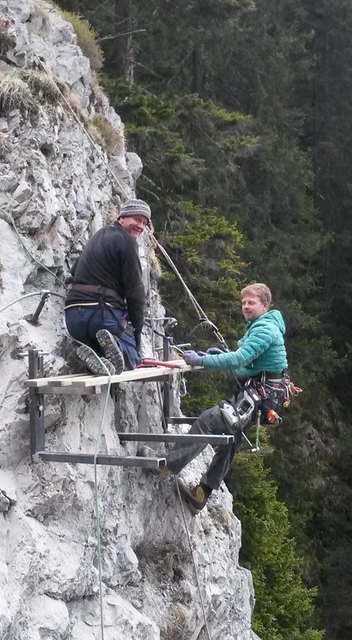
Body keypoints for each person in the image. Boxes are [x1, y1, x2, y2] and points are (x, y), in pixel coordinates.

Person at [164, 283, 289, 514]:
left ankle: (168, 465)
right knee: (231, 437)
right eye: (243, 302)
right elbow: (247, 369)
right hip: (262, 396)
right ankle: (202, 493)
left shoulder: (264, 330)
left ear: (265, 304)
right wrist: (219, 355)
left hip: (259, 397)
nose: (246, 306)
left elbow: (238, 361)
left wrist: (201, 361)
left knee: (208, 422)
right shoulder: (261, 325)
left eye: (251, 302)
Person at [64, 198, 151, 375]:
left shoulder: (98, 235)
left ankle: (97, 357)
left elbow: (74, 270)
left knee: (100, 347)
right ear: (122, 218)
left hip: (73, 317)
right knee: (132, 354)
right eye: (136, 219)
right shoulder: (127, 242)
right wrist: (137, 332)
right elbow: (135, 292)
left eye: (144, 222)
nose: (140, 226)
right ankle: (117, 348)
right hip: (103, 315)